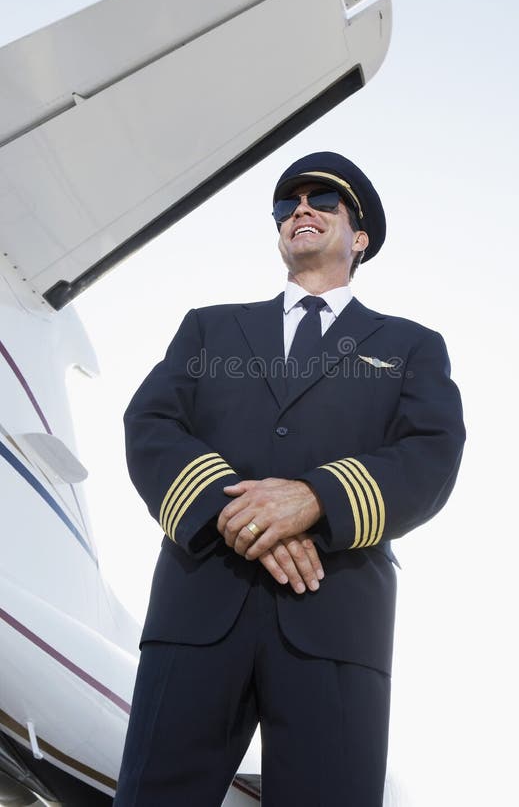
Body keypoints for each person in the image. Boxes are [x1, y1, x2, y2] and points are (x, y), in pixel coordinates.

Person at [114, 152, 465, 807]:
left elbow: (431, 452)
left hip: (333, 614)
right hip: (200, 608)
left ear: (358, 238)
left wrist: (314, 499)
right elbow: (152, 423)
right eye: (287, 204)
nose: (300, 209)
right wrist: (246, 516)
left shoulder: (411, 344)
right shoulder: (209, 327)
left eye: (322, 201)